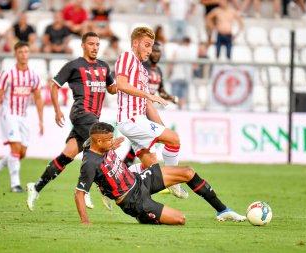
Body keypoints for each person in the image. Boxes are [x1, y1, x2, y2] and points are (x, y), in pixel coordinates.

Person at [75, 122, 247, 225]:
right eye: (109, 140)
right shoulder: (90, 163)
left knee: (187, 172)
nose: (113, 141)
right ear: (99, 141)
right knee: (181, 219)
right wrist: (84, 221)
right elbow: (79, 194)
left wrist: (109, 145)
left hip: (139, 180)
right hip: (133, 200)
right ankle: (144, 216)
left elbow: (91, 143)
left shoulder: (96, 144)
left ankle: (222, 210)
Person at [26, 32, 116, 211]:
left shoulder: (104, 67)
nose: (95, 47)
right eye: (91, 44)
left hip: (93, 118)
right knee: (101, 148)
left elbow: (112, 89)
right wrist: (57, 110)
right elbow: (54, 85)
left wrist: (123, 82)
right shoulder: (74, 66)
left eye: (97, 44)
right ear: (83, 45)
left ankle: (35, 187)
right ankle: (98, 190)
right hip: (81, 113)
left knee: (67, 156)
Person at [115, 26, 188, 199]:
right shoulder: (127, 57)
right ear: (135, 43)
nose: (149, 50)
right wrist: (149, 94)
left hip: (136, 119)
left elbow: (148, 104)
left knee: (152, 171)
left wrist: (163, 128)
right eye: (147, 45)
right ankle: (174, 181)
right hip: (131, 119)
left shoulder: (142, 70)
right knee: (175, 139)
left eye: (151, 46)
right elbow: (121, 84)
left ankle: (111, 184)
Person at [0, 41, 44, 193]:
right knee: (16, 148)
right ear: (15, 54)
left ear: (29, 54)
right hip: (8, 114)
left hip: (23, 116)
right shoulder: (7, 74)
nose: (24, 54)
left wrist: (41, 120)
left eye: (26, 52)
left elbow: (38, 98)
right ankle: (15, 185)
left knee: (22, 153)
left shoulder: (33, 76)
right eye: (20, 52)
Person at [123, 41, 178, 168]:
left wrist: (170, 98)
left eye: (159, 51)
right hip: (140, 110)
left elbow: (161, 90)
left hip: (150, 110)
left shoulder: (158, 70)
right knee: (152, 143)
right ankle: (166, 174)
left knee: (141, 147)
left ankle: (124, 171)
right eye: (154, 51)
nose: (156, 54)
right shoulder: (142, 68)